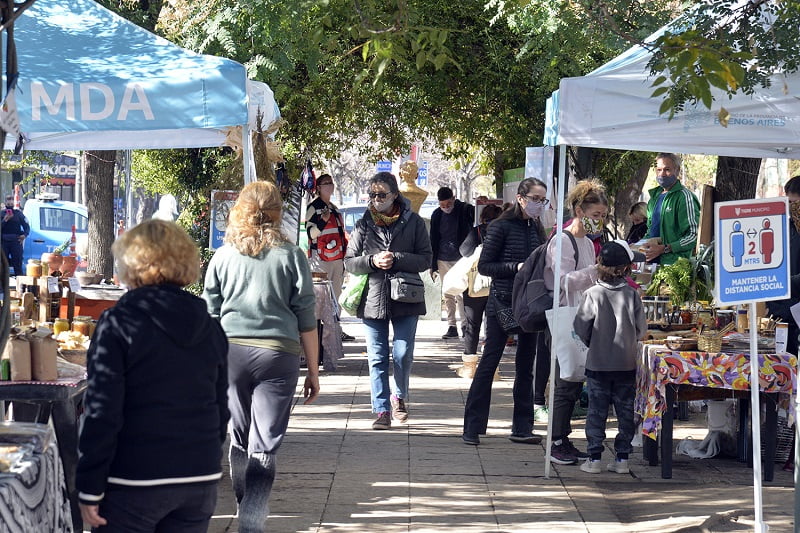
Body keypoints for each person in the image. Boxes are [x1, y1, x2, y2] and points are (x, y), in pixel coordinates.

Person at [77, 220, 229, 531]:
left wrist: (89, 485)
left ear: (131, 264)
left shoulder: (119, 323)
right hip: (198, 475)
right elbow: (220, 405)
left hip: (134, 478)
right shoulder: (209, 326)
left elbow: (103, 410)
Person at [203, 181, 320, 532]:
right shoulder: (291, 255)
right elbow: (306, 318)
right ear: (278, 213)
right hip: (278, 355)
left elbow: (210, 313)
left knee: (238, 434)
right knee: (265, 441)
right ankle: (251, 518)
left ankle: (246, 505)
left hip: (231, 352)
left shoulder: (223, 256)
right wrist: (313, 371)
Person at [461, 178, 548, 446]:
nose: (539, 204)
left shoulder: (537, 227)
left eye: (542, 200)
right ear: (521, 198)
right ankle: (472, 427)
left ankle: (522, 427)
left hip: (529, 303)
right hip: (501, 301)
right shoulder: (500, 226)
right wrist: (516, 267)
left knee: (526, 367)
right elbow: (485, 266)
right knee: (490, 362)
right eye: (535, 198)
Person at [343, 172, 432, 430]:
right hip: (373, 297)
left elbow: (425, 258)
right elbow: (349, 262)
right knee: (377, 356)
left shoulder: (413, 221)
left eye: (382, 194)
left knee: (403, 354)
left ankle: (399, 396)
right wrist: (372, 261)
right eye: (372, 194)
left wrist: (397, 258)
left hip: (406, 296)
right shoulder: (364, 223)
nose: (376, 199)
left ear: (395, 195)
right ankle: (381, 410)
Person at [544, 179, 608, 465]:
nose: (600, 221)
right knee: (564, 380)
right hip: (563, 315)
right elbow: (563, 282)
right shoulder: (562, 240)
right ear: (580, 211)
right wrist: (596, 271)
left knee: (573, 380)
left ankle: (563, 438)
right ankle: (556, 440)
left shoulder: (588, 243)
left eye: (603, 216)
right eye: (596, 215)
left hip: (581, 316)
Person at [573, 240, 647, 474]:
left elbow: (581, 327)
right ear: (626, 268)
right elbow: (641, 330)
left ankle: (594, 458)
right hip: (626, 364)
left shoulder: (591, 294)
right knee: (626, 412)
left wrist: (593, 343)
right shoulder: (632, 295)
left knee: (597, 411)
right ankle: (622, 458)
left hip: (598, 363)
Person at [304, 173, 355, 342]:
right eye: (326, 183)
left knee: (336, 296)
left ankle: (335, 330)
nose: (330, 186)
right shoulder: (314, 207)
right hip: (320, 259)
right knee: (320, 296)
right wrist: (322, 221)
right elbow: (311, 234)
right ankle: (317, 333)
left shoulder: (333, 207)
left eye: (331, 183)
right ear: (318, 188)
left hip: (337, 259)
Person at [430, 187, 475, 339]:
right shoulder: (436, 214)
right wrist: (433, 264)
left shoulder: (464, 210)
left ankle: (464, 324)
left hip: (461, 258)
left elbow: (476, 216)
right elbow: (433, 239)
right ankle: (451, 326)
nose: (446, 208)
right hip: (442, 258)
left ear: (454, 199)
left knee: (462, 292)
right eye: (442, 205)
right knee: (448, 293)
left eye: (448, 204)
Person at [459, 203, 503, 359]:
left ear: (483, 217)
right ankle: (491, 363)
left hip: (475, 286)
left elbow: (464, 251)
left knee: (473, 324)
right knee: (492, 326)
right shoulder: (504, 232)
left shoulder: (476, 231)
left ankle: (469, 363)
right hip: (498, 285)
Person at [642, 153, 700, 265]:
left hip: (675, 265)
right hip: (652, 264)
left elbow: (693, 236)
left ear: (677, 171)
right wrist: (637, 245)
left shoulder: (685, 197)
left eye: (667, 169)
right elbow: (651, 231)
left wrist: (665, 248)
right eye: (659, 170)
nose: (662, 174)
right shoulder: (654, 198)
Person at [1, 194, 29, 276]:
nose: (10, 202)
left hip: (16, 241)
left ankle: (19, 284)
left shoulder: (18, 214)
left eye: (11, 200)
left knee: (17, 264)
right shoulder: (1, 214)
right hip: (3, 242)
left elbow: (26, 226)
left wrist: (24, 235)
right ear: (5, 202)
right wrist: (4, 220)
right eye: (8, 200)